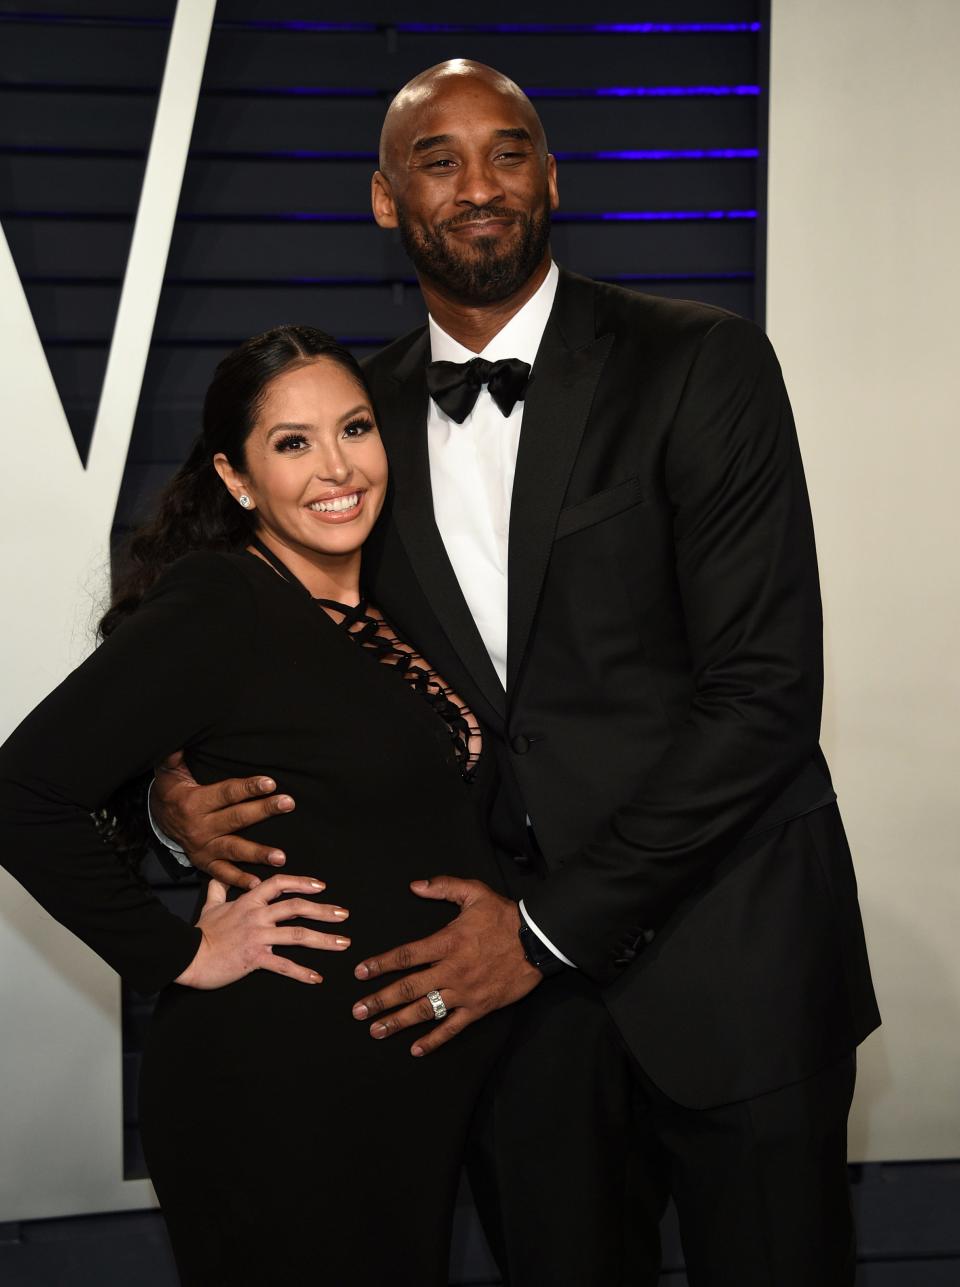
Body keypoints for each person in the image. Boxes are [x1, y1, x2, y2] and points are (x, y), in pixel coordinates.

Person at [151, 62, 881, 1286]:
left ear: (553, 176)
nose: (478, 184)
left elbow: (761, 698)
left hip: (733, 958)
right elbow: (252, 658)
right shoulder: (348, 428)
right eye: (438, 159)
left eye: (509, 151)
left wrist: (544, 930)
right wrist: (178, 800)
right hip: (502, 1007)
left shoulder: (704, 364)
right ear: (386, 200)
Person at [0, 325, 518, 1287]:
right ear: (238, 480)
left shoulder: (387, 604)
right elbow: (23, 791)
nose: (337, 466)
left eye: (354, 429)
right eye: (293, 442)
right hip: (281, 1093)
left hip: (402, 1094)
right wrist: (180, 951)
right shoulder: (221, 604)